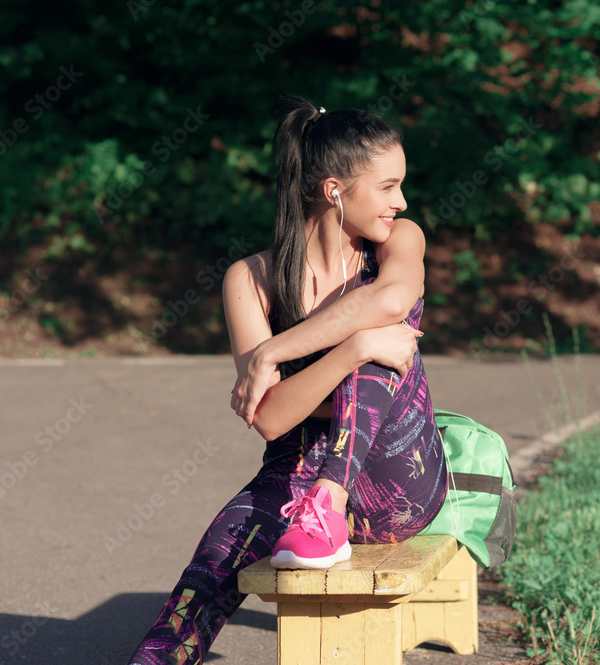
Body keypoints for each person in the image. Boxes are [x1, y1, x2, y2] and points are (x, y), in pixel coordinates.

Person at [127, 95, 448, 665]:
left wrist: (275, 351)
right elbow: (271, 417)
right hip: (295, 474)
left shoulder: (400, 243)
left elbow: (395, 298)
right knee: (206, 572)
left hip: (399, 479)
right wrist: (349, 348)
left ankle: (332, 499)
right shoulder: (250, 279)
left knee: (380, 340)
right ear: (334, 190)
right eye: (388, 186)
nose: (402, 201)